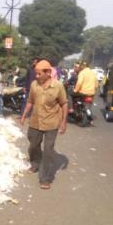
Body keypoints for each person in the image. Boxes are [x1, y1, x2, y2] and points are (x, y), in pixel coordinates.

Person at [20, 59, 68, 190]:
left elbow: (64, 103)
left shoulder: (58, 86)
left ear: (48, 72)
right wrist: (24, 115)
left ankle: (45, 178)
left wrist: (64, 121)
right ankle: (35, 163)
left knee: (48, 150)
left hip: (51, 123)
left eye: (39, 73)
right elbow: (30, 101)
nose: (36, 76)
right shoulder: (34, 85)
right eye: (36, 73)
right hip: (35, 121)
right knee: (33, 146)